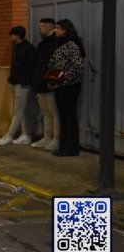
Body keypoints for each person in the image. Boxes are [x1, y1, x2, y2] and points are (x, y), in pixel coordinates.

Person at [47, 19, 85, 157]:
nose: (55, 30)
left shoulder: (72, 45)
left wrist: (63, 77)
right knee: (63, 117)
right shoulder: (59, 44)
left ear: (65, 30)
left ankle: (71, 148)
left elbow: (78, 66)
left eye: (57, 28)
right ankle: (64, 146)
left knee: (69, 117)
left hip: (69, 86)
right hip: (59, 85)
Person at [0, 26, 37, 146]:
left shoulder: (28, 49)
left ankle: (9, 135)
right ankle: (25, 135)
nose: (11, 37)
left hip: (23, 84)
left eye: (12, 34)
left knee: (18, 111)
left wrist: (23, 81)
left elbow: (30, 67)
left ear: (17, 35)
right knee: (22, 110)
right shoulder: (16, 48)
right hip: (15, 82)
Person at [30, 18, 59, 151]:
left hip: (51, 85)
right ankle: (47, 137)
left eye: (40, 27)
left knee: (54, 113)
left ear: (47, 28)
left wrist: (51, 82)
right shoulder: (42, 44)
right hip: (40, 84)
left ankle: (56, 139)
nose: (38, 30)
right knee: (45, 113)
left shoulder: (55, 43)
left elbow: (54, 66)